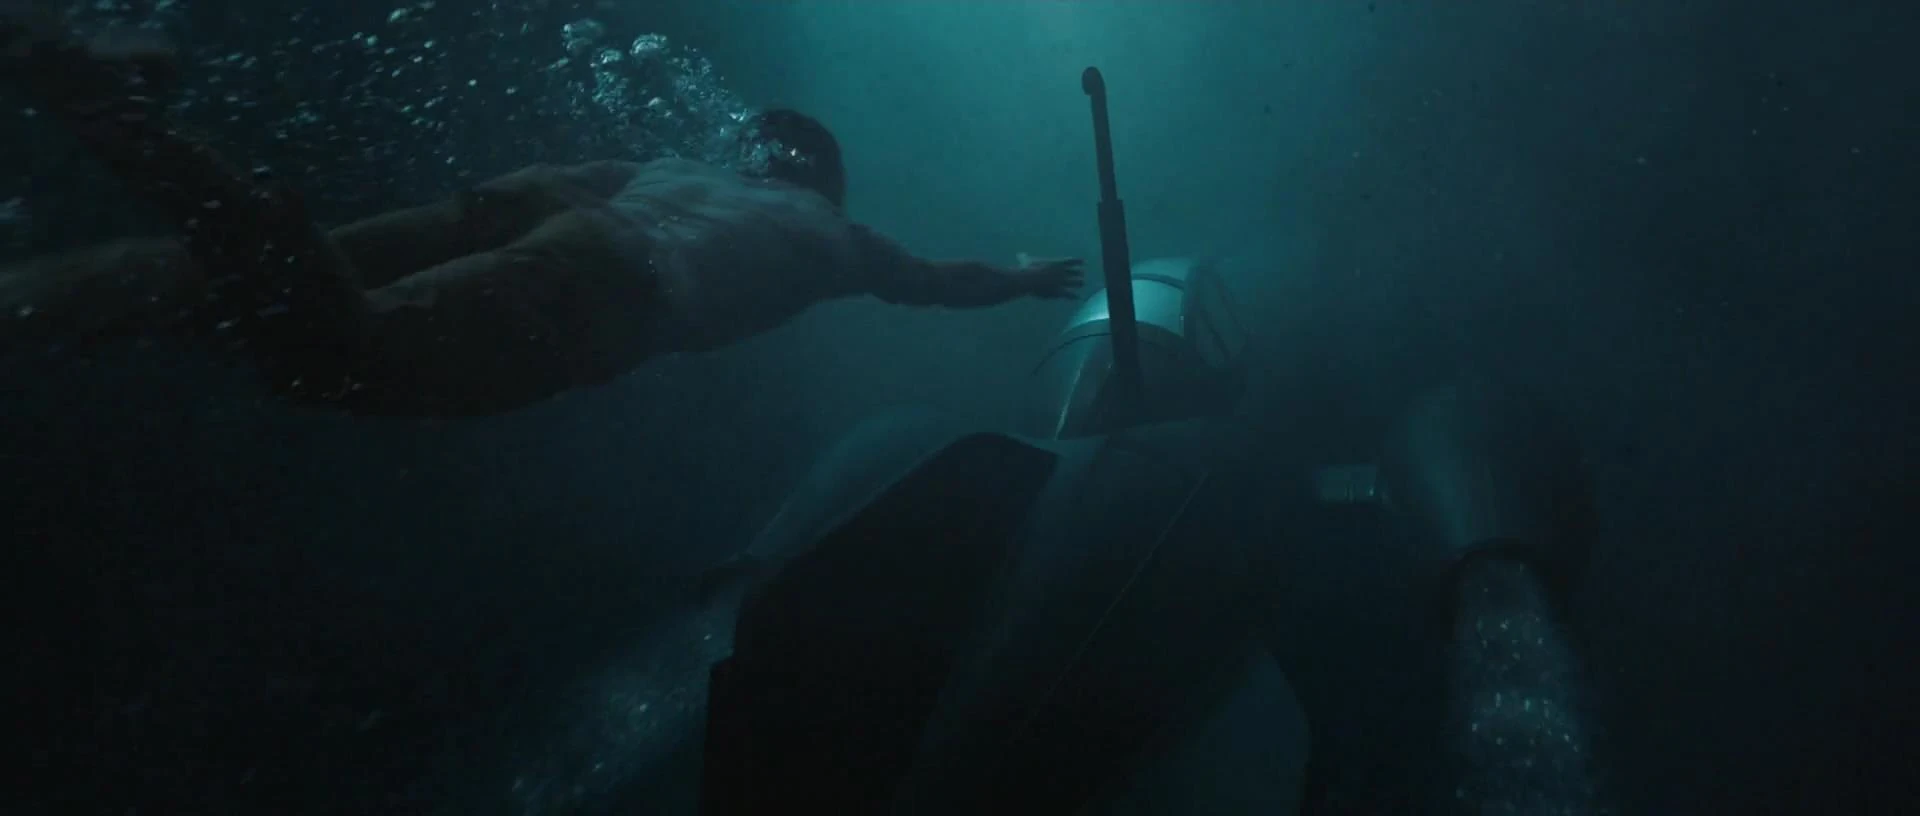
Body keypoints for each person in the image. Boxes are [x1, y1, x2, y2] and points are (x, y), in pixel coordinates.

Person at [0, 21, 1085, 417]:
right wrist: (1030, 279)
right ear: (827, 178)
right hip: (610, 276)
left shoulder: (686, 168)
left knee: (248, 289)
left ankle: (33, 297)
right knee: (336, 355)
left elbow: (556, 180)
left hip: (555, 212)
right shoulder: (833, 234)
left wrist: (518, 219)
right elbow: (942, 284)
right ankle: (125, 118)